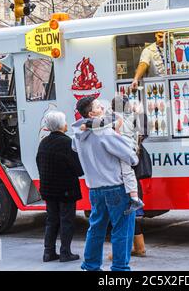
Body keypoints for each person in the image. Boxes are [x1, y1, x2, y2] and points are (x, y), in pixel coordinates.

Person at [72, 96, 139, 271]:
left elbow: (74, 145)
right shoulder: (105, 133)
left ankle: (91, 265)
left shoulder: (78, 135)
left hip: (95, 189)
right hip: (116, 188)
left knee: (96, 229)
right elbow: (132, 158)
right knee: (122, 230)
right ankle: (119, 268)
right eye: (97, 105)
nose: (102, 106)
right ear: (92, 113)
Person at [80, 95, 144, 214]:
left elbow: (101, 123)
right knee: (128, 173)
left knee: (98, 223)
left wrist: (86, 125)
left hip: (97, 186)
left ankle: (135, 198)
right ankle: (135, 198)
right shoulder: (129, 117)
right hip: (129, 149)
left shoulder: (111, 120)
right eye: (99, 107)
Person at [36, 110, 83, 262]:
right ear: (62, 125)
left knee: (52, 220)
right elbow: (78, 168)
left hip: (48, 190)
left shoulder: (44, 143)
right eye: (65, 122)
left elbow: (39, 163)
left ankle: (48, 252)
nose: (67, 124)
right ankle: (65, 252)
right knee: (66, 220)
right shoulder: (67, 143)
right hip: (66, 190)